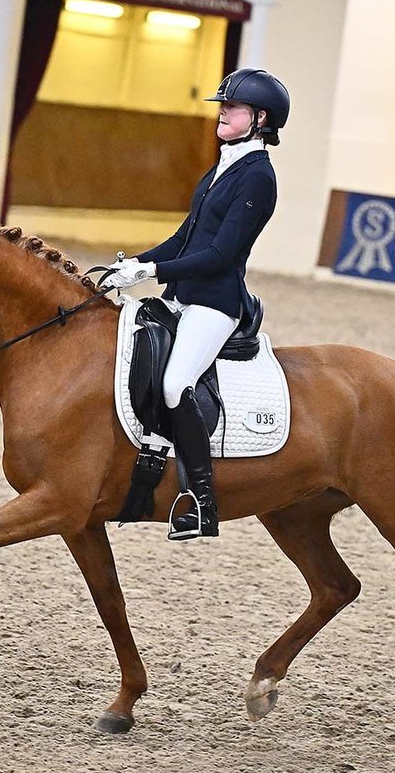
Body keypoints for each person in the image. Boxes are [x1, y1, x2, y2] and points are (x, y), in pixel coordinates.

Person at [102, 67, 290, 540]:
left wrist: (154, 273)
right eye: (222, 106)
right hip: (183, 297)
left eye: (233, 108)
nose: (222, 113)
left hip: (215, 304)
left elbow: (220, 255)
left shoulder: (258, 177)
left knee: (174, 383)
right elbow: (186, 238)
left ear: (260, 118)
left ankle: (203, 503)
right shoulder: (222, 167)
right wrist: (135, 263)